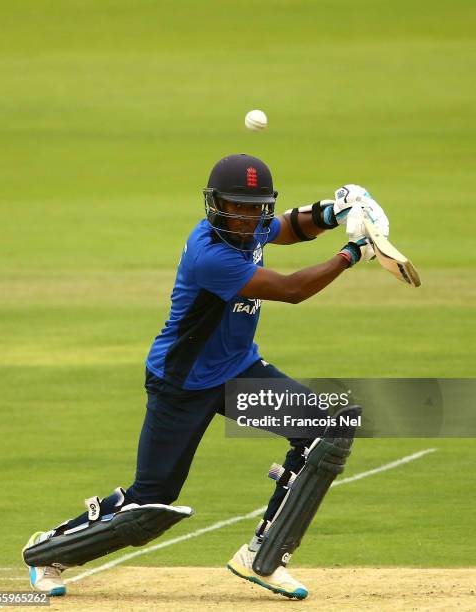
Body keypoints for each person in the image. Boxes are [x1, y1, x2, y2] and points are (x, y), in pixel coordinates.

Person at [23, 154, 388, 600]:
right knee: (149, 504)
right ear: (215, 205)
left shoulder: (251, 226)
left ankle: (263, 556)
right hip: (183, 383)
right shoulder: (209, 255)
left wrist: (334, 212)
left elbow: (290, 227)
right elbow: (292, 291)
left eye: (255, 208)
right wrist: (353, 252)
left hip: (238, 372)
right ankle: (48, 551)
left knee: (324, 431)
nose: (246, 217)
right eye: (236, 206)